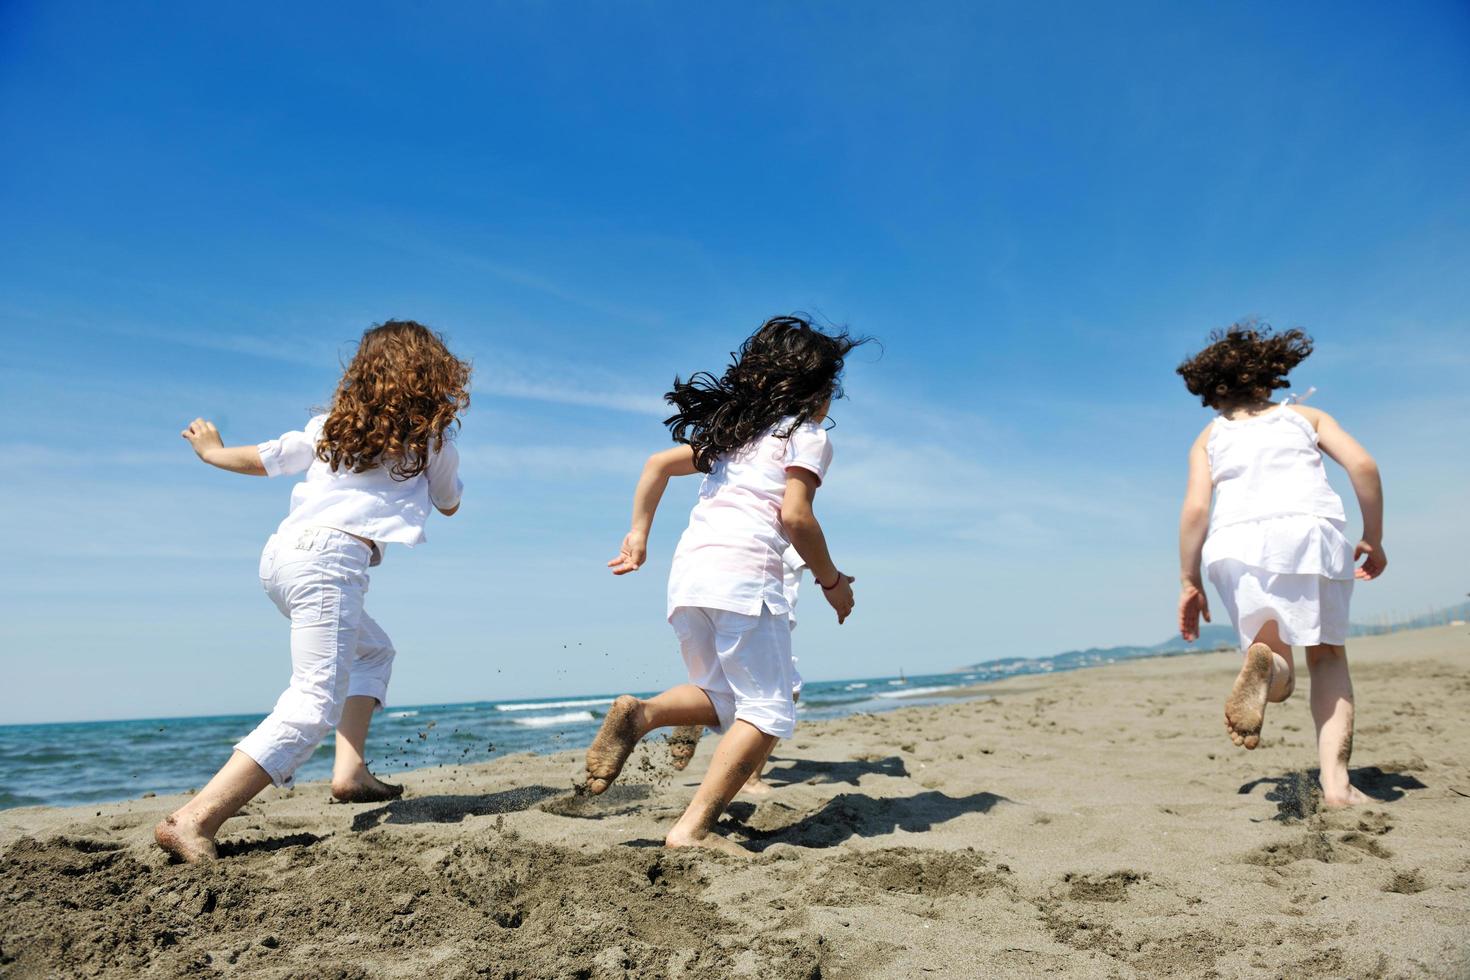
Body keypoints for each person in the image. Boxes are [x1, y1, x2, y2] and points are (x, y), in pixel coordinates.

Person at [155, 320, 470, 862]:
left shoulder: (331, 427)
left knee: (373, 650)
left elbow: (264, 459)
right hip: (331, 561)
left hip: (282, 558)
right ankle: (195, 818)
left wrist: (210, 452)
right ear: (431, 375)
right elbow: (449, 503)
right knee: (313, 701)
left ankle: (349, 774)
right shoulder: (429, 439)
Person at [585, 315, 863, 854]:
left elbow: (656, 464)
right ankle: (690, 831)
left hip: (690, 578)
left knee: (723, 698)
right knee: (769, 711)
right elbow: (797, 516)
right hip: (746, 576)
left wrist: (638, 535)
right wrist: (832, 582)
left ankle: (640, 714)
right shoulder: (804, 436)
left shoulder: (735, 437)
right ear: (816, 391)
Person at [1175, 322, 1385, 808]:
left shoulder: (1208, 436)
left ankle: (1268, 670)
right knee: (1328, 656)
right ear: (1270, 378)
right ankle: (1337, 785)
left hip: (1235, 543)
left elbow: (1195, 510)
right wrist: (1373, 537)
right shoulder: (1306, 417)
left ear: (1210, 392)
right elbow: (1363, 466)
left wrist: (1189, 580)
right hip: (1310, 532)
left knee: (1273, 654)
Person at [667, 545, 806, 796]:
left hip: (703, 585)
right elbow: (801, 527)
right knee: (783, 689)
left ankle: (689, 715)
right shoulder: (780, 511)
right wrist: (833, 579)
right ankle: (750, 776)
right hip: (761, 597)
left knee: (716, 680)